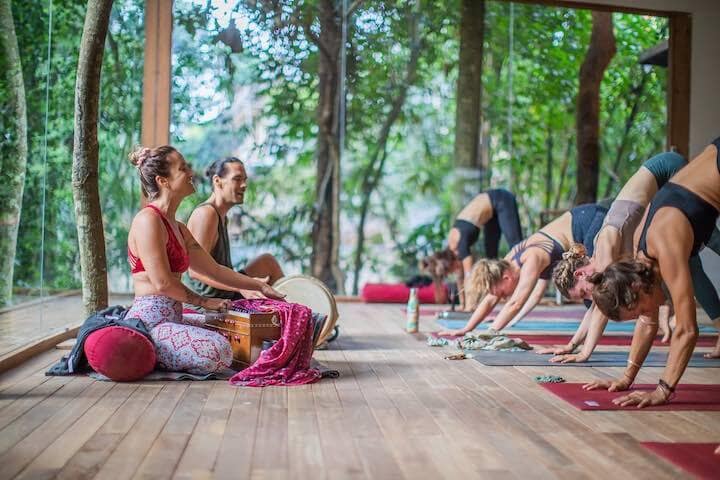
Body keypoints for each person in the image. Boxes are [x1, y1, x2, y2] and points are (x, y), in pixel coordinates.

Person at [584, 139, 720, 407]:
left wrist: (663, 390)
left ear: (635, 289)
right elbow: (647, 322)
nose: (644, 316)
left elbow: (686, 329)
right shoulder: (642, 257)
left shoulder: (664, 242)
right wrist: (626, 377)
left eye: (634, 312)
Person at [126, 146, 285, 374]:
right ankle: (151, 351)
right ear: (163, 181)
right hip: (151, 322)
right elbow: (162, 283)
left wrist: (260, 285)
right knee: (220, 351)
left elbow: (215, 270)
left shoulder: (179, 228)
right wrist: (204, 302)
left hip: (176, 317)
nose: (191, 172)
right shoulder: (147, 220)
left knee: (245, 339)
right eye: (183, 168)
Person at [549, 151, 720, 362]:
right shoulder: (599, 260)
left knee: (696, 254)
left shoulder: (604, 258)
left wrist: (584, 353)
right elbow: (595, 309)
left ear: (581, 273)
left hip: (666, 169)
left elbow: (599, 312)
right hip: (660, 184)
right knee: (690, 255)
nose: (589, 298)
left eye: (584, 292)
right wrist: (572, 345)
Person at [436, 203, 607, 336]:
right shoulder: (508, 261)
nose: (502, 297)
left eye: (502, 294)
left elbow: (516, 303)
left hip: (591, 219)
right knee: (592, 300)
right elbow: (491, 300)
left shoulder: (531, 258)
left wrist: (488, 334)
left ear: (506, 278)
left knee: (595, 290)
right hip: (582, 222)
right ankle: (581, 346)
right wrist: (466, 329)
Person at [186, 157, 284, 300]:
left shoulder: (222, 216)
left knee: (267, 262)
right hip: (210, 301)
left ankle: (295, 309)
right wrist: (243, 286)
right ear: (217, 181)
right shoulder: (206, 214)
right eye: (237, 179)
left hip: (227, 292)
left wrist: (248, 284)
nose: (244, 185)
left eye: (245, 179)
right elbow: (195, 271)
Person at [422, 189, 523, 309]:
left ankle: (523, 289)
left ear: (449, 263)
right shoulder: (453, 248)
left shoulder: (460, 245)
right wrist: (463, 305)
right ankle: (498, 293)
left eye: (450, 271)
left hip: (501, 199)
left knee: (517, 247)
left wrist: (469, 307)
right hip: (491, 215)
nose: (454, 272)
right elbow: (461, 277)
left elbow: (469, 277)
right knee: (492, 260)